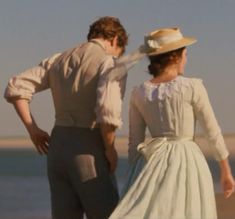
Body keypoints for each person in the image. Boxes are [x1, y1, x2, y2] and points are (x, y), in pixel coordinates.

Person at [4, 16, 145, 219]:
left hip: (57, 147)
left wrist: (32, 130)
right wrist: (110, 149)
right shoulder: (111, 63)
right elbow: (108, 114)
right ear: (114, 40)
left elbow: (15, 87)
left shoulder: (58, 59)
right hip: (89, 146)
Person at [109, 27, 235, 219]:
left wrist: (135, 180)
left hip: (151, 163)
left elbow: (134, 143)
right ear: (175, 57)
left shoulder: (139, 93)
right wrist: (225, 172)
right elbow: (212, 131)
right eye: (185, 54)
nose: (186, 58)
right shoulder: (192, 87)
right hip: (188, 162)